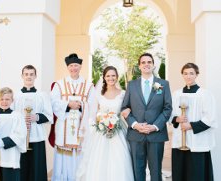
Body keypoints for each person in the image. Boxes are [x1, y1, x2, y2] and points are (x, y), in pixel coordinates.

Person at [76, 66, 134, 181]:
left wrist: (125, 113)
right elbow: (93, 114)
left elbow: (127, 110)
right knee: (99, 159)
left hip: (118, 131)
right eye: (108, 76)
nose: (111, 78)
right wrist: (102, 122)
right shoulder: (98, 94)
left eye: (113, 75)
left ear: (117, 77)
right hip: (101, 131)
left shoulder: (123, 93)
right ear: (104, 77)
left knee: (120, 158)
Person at [121, 53, 172, 181]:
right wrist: (135, 125)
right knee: (137, 170)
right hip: (136, 135)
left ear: (153, 65)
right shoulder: (131, 85)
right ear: (139, 66)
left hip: (156, 135)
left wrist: (154, 126)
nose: (146, 64)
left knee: (156, 171)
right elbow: (124, 108)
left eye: (149, 62)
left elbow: (167, 108)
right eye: (143, 62)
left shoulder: (163, 84)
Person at [50, 53, 95, 181]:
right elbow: (53, 102)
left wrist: (81, 105)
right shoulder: (59, 84)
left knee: (80, 153)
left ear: (80, 66)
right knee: (64, 156)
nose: (73, 68)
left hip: (82, 126)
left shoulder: (88, 85)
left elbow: (93, 105)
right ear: (67, 67)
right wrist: (68, 105)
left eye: (76, 65)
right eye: (71, 65)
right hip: (63, 125)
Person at [170, 63, 217, 181]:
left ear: (196, 74)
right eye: (185, 73)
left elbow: (210, 117)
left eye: (191, 73)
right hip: (180, 140)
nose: (188, 76)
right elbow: (169, 113)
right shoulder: (176, 94)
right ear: (182, 75)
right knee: (180, 171)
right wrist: (177, 119)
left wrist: (191, 125)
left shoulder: (204, 94)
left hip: (198, 141)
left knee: (197, 173)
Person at [12, 65, 53, 181]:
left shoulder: (42, 95)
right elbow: (11, 116)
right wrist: (20, 119)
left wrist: (37, 117)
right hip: (20, 137)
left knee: (37, 168)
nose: (29, 77)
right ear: (22, 76)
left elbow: (49, 116)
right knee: (21, 167)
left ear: (35, 76)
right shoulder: (15, 96)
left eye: (31, 74)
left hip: (37, 137)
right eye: (26, 74)